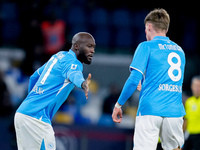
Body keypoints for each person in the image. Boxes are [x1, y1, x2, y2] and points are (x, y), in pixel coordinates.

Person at [112, 8, 186, 150]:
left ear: (149, 27)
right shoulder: (180, 51)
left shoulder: (146, 46)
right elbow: (167, 78)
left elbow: (134, 80)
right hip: (175, 111)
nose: (145, 32)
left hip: (150, 109)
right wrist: (146, 81)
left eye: (146, 29)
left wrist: (118, 105)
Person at [14, 32, 95, 150]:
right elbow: (74, 74)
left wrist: (32, 100)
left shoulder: (58, 56)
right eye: (89, 46)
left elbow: (34, 77)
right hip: (37, 119)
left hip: (23, 114)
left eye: (93, 47)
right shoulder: (73, 63)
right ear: (77, 46)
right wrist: (82, 83)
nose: (92, 50)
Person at [183, 75, 200, 150]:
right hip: (189, 135)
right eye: (196, 86)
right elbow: (186, 120)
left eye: (199, 86)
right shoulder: (188, 102)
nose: (197, 89)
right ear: (191, 86)